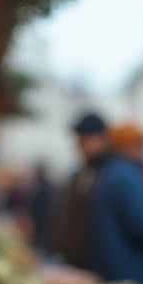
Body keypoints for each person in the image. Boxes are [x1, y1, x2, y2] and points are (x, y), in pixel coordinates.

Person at [86, 122, 143, 284]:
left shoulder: (111, 172)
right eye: (141, 145)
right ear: (131, 146)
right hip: (132, 272)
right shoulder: (125, 175)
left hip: (117, 268)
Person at [49, 112, 110, 271]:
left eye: (85, 140)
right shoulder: (81, 173)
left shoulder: (113, 174)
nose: (80, 146)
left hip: (99, 261)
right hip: (77, 258)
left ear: (101, 139)